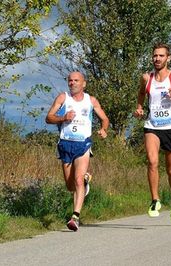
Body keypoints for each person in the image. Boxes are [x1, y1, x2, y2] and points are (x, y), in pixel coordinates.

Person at [133, 43, 171, 225]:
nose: (157, 59)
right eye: (155, 56)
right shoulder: (146, 78)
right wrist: (140, 107)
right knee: (152, 162)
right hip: (152, 126)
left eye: (161, 56)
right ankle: (155, 200)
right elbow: (141, 93)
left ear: (168, 58)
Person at [45, 71, 109, 231]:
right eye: (70, 81)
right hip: (66, 144)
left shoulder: (90, 100)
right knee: (70, 185)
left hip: (83, 144)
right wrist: (63, 117)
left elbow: (104, 118)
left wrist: (103, 129)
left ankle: (75, 217)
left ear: (83, 83)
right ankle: (86, 182)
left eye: (76, 80)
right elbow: (48, 118)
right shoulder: (62, 98)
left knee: (78, 180)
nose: (72, 83)